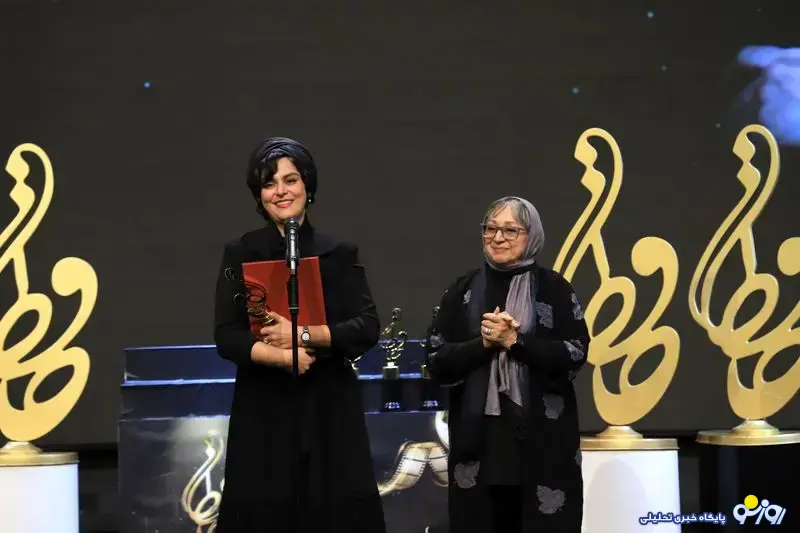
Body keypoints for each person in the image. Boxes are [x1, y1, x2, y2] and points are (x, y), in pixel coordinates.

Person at [213, 137, 386, 532]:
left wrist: (303, 336)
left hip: (329, 404)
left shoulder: (339, 252)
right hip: (264, 406)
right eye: (269, 183)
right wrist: (280, 356)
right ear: (259, 195)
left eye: (290, 180)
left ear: (308, 186)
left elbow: (366, 327)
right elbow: (227, 335)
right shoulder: (240, 252)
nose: (281, 191)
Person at [425, 196, 590, 533]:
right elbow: (436, 360)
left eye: (510, 230)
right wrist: (484, 344)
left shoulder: (554, 289)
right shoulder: (462, 290)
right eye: (490, 229)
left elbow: (575, 354)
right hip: (478, 444)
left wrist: (516, 342)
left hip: (542, 442)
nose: (498, 238)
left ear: (532, 235)